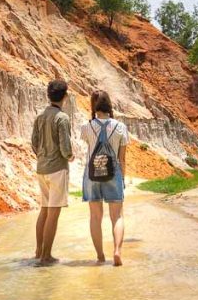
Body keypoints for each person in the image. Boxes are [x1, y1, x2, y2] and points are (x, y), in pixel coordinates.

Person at [80, 90, 129, 266]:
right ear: (109, 104)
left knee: (95, 217)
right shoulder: (121, 127)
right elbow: (122, 159)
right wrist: (122, 179)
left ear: (94, 106)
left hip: (92, 174)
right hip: (113, 172)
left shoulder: (86, 127)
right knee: (117, 216)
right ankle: (117, 251)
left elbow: (88, 144)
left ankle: (100, 256)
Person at [30, 79, 73, 266]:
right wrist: (69, 156)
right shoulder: (62, 118)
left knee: (44, 211)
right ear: (65, 96)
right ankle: (47, 256)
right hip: (57, 169)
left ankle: (39, 251)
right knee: (53, 214)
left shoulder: (40, 116)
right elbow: (65, 147)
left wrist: (42, 155)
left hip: (42, 168)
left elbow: (34, 142)